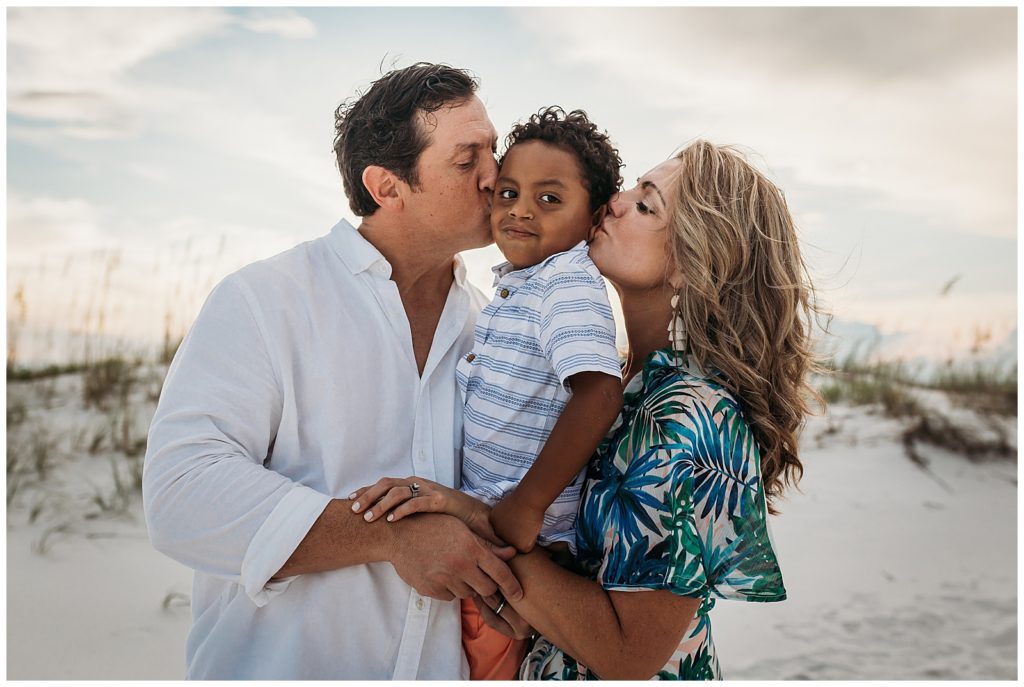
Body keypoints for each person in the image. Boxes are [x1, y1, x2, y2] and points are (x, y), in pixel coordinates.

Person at [359, 140, 823, 679]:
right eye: (632, 189)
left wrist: (474, 519)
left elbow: (629, 655)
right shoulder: (626, 379)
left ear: (693, 264)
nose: (617, 202)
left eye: (647, 206)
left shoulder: (691, 416)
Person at [142, 62, 524, 680]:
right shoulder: (266, 299)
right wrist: (388, 537)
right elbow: (180, 494)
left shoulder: (495, 329)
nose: (496, 177)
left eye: (494, 150)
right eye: (466, 160)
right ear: (387, 186)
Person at [352, 106, 624, 679]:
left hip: (524, 536)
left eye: (550, 199)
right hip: (498, 523)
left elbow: (598, 394)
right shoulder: (516, 286)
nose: (520, 209)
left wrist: (525, 508)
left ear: (594, 217)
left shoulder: (567, 280)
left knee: (489, 659)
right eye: (508, 192)